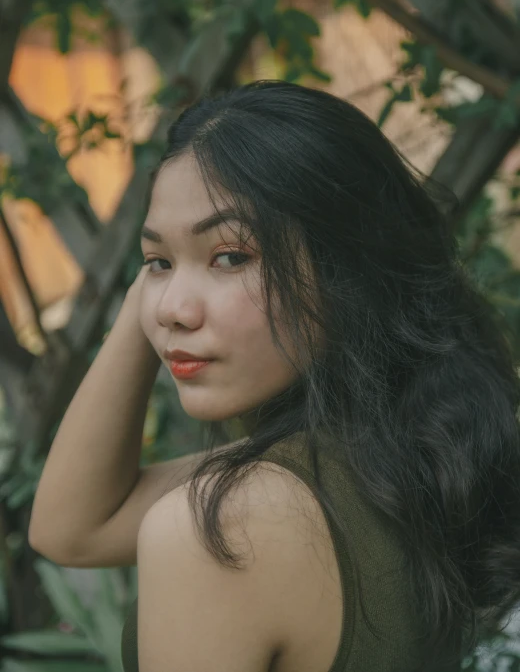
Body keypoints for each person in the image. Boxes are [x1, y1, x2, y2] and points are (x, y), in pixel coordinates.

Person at [30, 80, 520, 672]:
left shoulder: (221, 533)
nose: (169, 310)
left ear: (347, 271)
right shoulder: (422, 449)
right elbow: (71, 529)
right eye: (155, 263)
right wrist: (177, 267)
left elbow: (71, 533)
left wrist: (172, 261)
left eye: (231, 256)